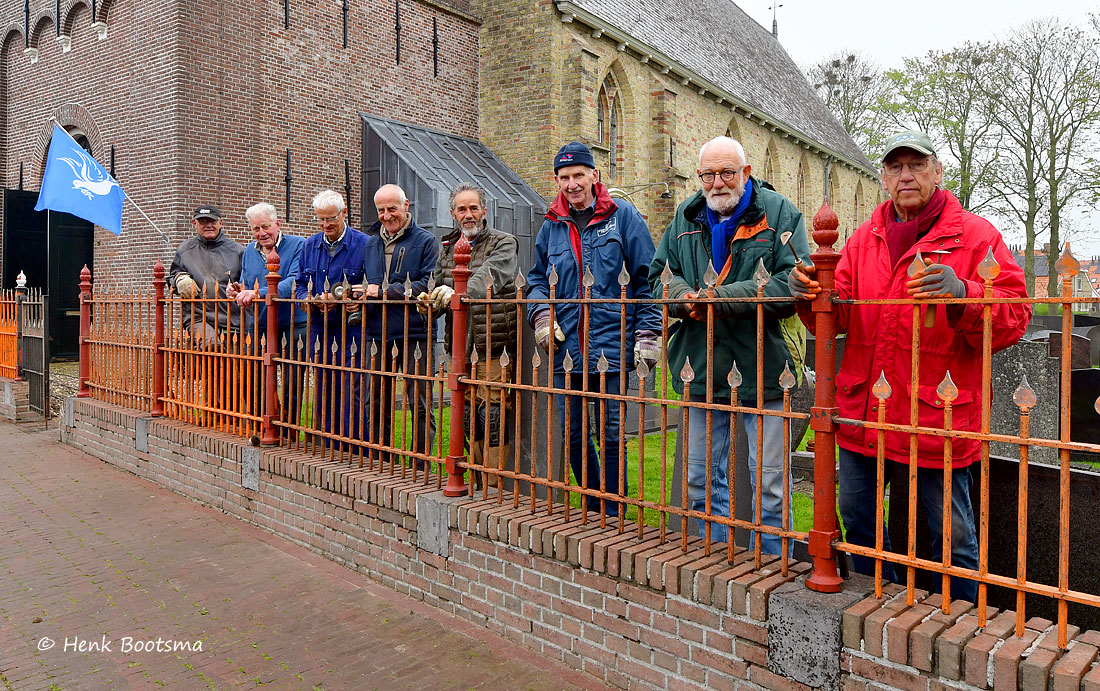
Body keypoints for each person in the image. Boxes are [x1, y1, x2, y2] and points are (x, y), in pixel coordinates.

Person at [788, 130, 1031, 601]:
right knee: (858, 524)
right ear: (882, 177)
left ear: (937, 173)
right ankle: (875, 605)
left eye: (916, 165)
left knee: (951, 537)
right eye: (895, 167)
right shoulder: (863, 239)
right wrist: (811, 297)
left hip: (935, 416)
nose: (906, 176)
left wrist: (965, 293)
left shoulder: (976, 237)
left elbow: (1014, 315)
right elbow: (835, 317)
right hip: (866, 413)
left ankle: (959, 621)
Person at [650, 136, 807, 552]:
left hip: (767, 366)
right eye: (708, 174)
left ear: (746, 173)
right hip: (699, 365)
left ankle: (773, 571)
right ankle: (713, 566)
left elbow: (793, 284)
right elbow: (657, 276)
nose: (718, 183)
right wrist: (682, 296)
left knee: (769, 484)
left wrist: (721, 299)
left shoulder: (780, 214)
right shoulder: (684, 219)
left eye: (727, 173)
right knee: (698, 480)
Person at [526, 141, 662, 517]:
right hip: (566, 347)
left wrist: (648, 332)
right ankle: (592, 503)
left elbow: (645, 278)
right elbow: (537, 281)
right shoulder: (551, 226)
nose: (572, 184)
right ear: (557, 180)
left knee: (612, 433)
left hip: (611, 346)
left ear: (594, 176)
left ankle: (614, 510)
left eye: (578, 175)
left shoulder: (624, 217)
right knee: (573, 435)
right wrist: (540, 316)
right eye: (565, 177)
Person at [420, 182, 519, 488]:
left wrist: (458, 292)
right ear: (453, 213)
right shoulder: (447, 247)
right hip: (459, 347)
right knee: (464, 414)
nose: (468, 214)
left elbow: (492, 274)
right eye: (461, 209)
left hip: (493, 345)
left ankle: (493, 484)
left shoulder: (504, 242)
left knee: (492, 416)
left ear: (484, 211)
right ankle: (472, 476)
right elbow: (436, 286)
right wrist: (429, 303)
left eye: (473, 208)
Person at [361, 184, 440, 466]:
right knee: (376, 401)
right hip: (377, 332)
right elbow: (362, 281)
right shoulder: (370, 242)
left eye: (391, 208)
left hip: (415, 332)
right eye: (381, 210)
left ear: (406, 205)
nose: (386, 215)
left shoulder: (426, 241)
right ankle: (380, 462)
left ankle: (420, 466)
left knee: (419, 402)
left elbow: (428, 285)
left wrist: (382, 291)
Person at [294, 190, 368, 446]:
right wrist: (309, 299)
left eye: (331, 219)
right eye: (320, 220)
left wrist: (355, 302)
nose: (326, 225)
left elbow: (370, 287)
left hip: (352, 332)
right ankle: (325, 446)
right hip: (321, 329)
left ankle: (354, 448)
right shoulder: (310, 245)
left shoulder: (364, 244)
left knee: (352, 390)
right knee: (325, 387)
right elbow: (301, 284)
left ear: (344, 213)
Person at [228, 203, 307, 425]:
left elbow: (294, 282)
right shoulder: (248, 252)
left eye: (265, 226)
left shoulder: (299, 245)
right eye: (255, 229)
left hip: (294, 322)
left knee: (292, 382)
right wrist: (237, 290)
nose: (261, 233)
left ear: (278, 224)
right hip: (260, 323)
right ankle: (264, 423)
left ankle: (289, 429)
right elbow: (247, 282)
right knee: (251, 377)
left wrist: (255, 293)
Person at [168, 204, 244, 344]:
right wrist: (179, 279)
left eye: (212, 221)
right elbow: (171, 277)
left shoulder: (237, 251)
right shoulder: (185, 250)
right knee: (211, 347)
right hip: (198, 317)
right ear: (194, 223)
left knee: (235, 363)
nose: (208, 225)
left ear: (220, 223)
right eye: (203, 221)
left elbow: (248, 282)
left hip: (231, 320)